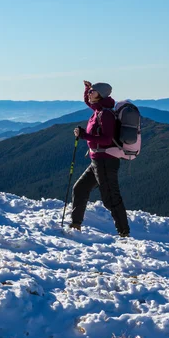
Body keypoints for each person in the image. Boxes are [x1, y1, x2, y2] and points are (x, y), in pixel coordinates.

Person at [70, 80, 130, 237]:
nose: (90, 94)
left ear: (101, 94)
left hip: (105, 160)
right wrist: (86, 88)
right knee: (80, 188)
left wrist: (84, 135)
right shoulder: (98, 109)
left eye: (93, 91)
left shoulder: (106, 115)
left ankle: (124, 233)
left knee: (111, 198)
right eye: (90, 92)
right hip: (97, 160)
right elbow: (87, 100)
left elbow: (106, 139)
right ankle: (75, 226)